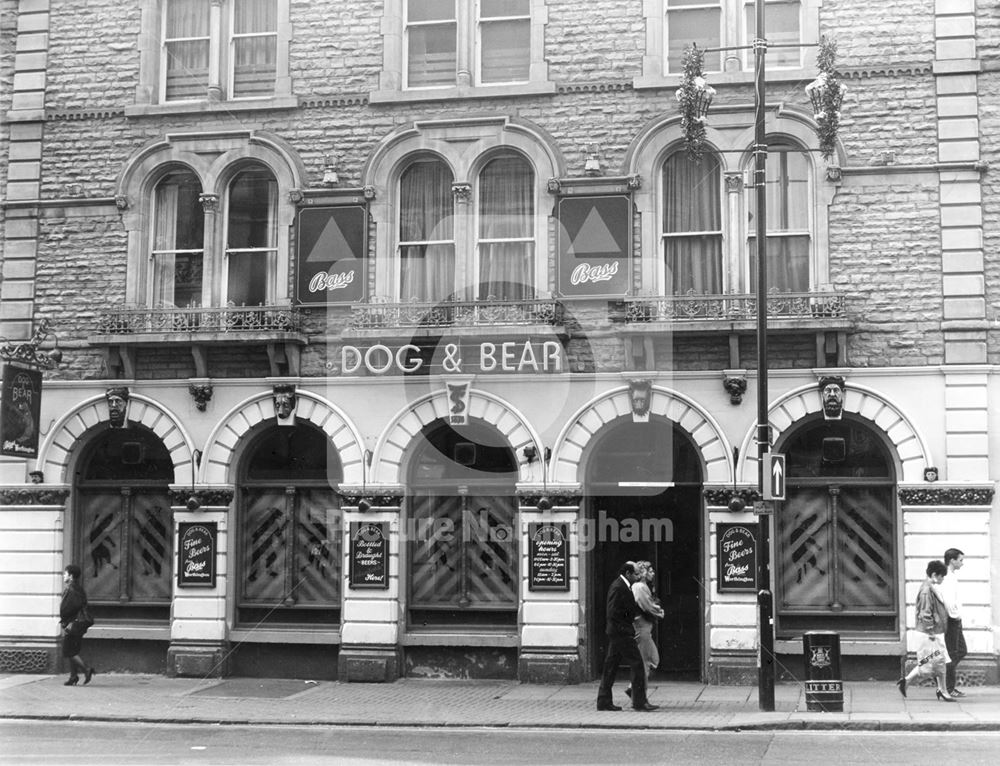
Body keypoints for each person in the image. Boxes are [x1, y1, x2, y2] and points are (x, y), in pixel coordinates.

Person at [596, 562, 658, 712]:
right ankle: (639, 702)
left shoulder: (623, 585)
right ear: (628, 574)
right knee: (637, 665)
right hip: (621, 633)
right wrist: (626, 627)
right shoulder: (619, 587)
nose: (638, 576)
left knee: (610, 666)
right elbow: (613, 612)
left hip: (617, 632)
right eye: (636, 574)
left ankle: (604, 701)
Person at [897, 560, 952, 701]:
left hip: (932, 632)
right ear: (934, 575)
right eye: (941, 576)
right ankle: (942, 691)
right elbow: (925, 613)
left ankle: (909, 681)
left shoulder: (929, 587)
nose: (942, 579)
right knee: (936, 662)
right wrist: (931, 631)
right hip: (930, 634)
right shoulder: (927, 591)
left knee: (937, 661)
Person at [627, 560, 664, 697]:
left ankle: (634, 689)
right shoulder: (640, 587)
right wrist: (659, 611)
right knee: (646, 661)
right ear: (643, 573)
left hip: (644, 627)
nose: (653, 573)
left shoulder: (643, 587)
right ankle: (639, 696)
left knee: (651, 659)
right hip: (641, 627)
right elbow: (647, 605)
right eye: (650, 571)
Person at [938, 548, 968, 697]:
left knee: (961, 651)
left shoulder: (951, 576)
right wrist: (955, 616)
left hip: (955, 619)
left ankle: (942, 681)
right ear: (952, 560)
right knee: (952, 653)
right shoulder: (948, 577)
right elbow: (949, 601)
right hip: (951, 620)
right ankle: (947, 688)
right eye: (960, 560)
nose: (962, 563)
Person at [59, 564, 94, 686]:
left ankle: (86, 669)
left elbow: (67, 608)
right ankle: (73, 677)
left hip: (73, 624)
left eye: (65, 573)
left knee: (68, 651)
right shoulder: (77, 588)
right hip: (77, 624)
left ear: (71, 576)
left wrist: (64, 621)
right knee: (72, 650)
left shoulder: (71, 589)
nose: (64, 575)